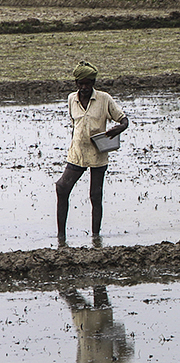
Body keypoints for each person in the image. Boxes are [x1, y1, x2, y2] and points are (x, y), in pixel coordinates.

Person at [56, 61, 129, 242]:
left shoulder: (104, 99)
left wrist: (118, 129)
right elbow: (75, 125)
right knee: (62, 188)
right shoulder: (71, 98)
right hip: (77, 152)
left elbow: (124, 120)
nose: (84, 87)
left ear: (93, 83)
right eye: (81, 84)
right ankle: (61, 236)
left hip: (98, 152)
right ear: (76, 84)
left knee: (95, 196)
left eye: (88, 84)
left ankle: (96, 237)